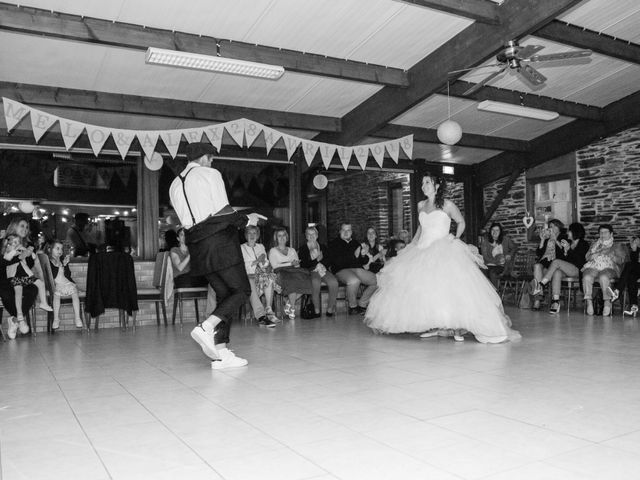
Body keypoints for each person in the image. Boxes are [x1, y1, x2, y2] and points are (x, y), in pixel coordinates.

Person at [364, 172, 520, 344]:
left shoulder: (447, 204)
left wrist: (455, 237)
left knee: (449, 289)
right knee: (426, 290)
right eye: (422, 183)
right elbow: (419, 230)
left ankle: (455, 326)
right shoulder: (421, 205)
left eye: (427, 183)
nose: (424, 186)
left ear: (437, 186)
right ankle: (434, 326)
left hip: (443, 249)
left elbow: (461, 222)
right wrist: (411, 247)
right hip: (422, 249)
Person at [169, 142, 265, 370]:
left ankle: (222, 352)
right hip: (219, 242)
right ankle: (206, 327)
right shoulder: (209, 173)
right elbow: (223, 211)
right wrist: (247, 220)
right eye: (211, 158)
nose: (212, 162)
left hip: (197, 246)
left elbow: (192, 220)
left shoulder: (174, 184)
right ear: (203, 158)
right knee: (242, 291)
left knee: (224, 294)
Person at [532, 222, 589, 314]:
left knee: (556, 261)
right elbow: (566, 258)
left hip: (577, 270)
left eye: (569, 231)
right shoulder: (569, 242)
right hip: (565, 268)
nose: (567, 233)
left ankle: (542, 284)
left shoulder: (583, 243)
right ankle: (556, 301)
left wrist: (567, 249)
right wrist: (566, 250)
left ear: (575, 232)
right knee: (557, 272)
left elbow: (579, 261)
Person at [0, 218, 39, 338]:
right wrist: (20, 256)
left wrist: (29, 255)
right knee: (6, 294)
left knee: (33, 289)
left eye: (27, 227)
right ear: (14, 226)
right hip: (4, 279)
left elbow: (30, 265)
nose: (25, 229)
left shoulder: (29, 245)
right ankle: (19, 320)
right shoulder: (3, 242)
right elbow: (2, 263)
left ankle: (16, 320)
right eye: (22, 226)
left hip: (21, 279)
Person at [326, 224, 377, 315]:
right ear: (340, 232)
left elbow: (363, 261)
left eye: (348, 230)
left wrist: (363, 255)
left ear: (351, 232)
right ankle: (353, 307)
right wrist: (354, 256)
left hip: (357, 269)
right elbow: (337, 262)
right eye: (344, 230)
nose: (346, 232)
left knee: (377, 280)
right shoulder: (333, 244)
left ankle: (362, 304)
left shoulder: (356, 243)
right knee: (354, 281)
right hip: (341, 270)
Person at [3, 234, 52, 326]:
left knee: (40, 283)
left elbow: (33, 257)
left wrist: (29, 251)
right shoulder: (8, 251)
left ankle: (43, 302)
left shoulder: (21, 250)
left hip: (26, 275)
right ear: (9, 244)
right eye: (14, 242)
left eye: (18, 242)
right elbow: (7, 258)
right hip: (15, 276)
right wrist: (15, 251)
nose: (17, 244)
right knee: (18, 292)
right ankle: (19, 313)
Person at [581, 224, 627, 316]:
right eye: (601, 232)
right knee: (586, 277)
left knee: (603, 277)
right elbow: (586, 257)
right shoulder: (595, 244)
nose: (603, 234)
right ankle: (589, 302)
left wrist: (612, 256)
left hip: (609, 268)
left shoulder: (616, 245)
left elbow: (622, 261)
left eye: (605, 232)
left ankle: (607, 302)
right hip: (594, 266)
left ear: (611, 234)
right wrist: (592, 256)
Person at [268, 227, 310, 320]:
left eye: (284, 235)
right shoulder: (273, 250)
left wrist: (295, 264)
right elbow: (275, 266)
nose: (282, 238)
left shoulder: (292, 250)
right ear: (276, 238)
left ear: (287, 237)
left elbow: (297, 266)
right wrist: (290, 263)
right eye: (279, 236)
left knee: (308, 279)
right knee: (292, 281)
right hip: (280, 272)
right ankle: (293, 309)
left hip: (293, 271)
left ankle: (289, 303)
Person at [298, 225, 339, 317]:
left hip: (323, 268)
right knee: (315, 282)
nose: (311, 236)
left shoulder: (323, 247)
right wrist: (316, 261)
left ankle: (330, 309)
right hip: (311, 271)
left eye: (313, 234)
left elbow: (329, 259)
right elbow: (304, 264)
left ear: (317, 235)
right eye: (309, 234)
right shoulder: (303, 249)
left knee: (334, 283)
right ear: (306, 236)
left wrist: (321, 263)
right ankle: (316, 310)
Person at [241, 225, 278, 327]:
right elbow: (241, 266)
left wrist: (262, 262)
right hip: (248, 276)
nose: (252, 235)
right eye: (249, 233)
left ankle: (269, 310)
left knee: (270, 278)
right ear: (246, 235)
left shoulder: (261, 247)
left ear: (257, 235)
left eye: (254, 233)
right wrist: (255, 262)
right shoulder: (241, 248)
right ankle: (261, 317)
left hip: (260, 276)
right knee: (251, 282)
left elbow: (265, 262)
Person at [48, 240, 84, 329]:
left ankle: (77, 318)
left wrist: (65, 265)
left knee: (74, 293)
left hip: (66, 283)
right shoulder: (49, 262)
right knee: (56, 295)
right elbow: (52, 275)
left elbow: (68, 275)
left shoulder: (61, 260)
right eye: (57, 248)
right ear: (50, 249)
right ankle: (56, 319)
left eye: (61, 249)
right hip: (57, 285)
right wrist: (60, 265)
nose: (60, 251)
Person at [530, 219, 565, 310]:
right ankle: (538, 298)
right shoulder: (547, 239)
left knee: (543, 269)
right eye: (550, 226)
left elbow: (564, 254)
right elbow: (539, 253)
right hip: (544, 262)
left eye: (553, 226)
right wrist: (542, 240)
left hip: (555, 264)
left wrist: (555, 239)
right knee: (537, 266)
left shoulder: (564, 237)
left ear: (558, 227)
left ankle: (538, 298)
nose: (550, 228)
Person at [480, 222, 517, 289]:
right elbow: (485, 257)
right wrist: (497, 262)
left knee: (492, 272)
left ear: (500, 232)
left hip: (502, 266)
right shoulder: (485, 242)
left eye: (497, 230)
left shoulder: (506, 239)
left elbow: (514, 247)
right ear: (490, 231)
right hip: (489, 265)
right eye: (493, 230)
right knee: (480, 271)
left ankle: (495, 293)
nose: (495, 232)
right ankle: (485, 293)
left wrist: (510, 255)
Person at [612, 236, 640, 316]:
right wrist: (634, 249)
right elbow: (635, 263)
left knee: (629, 265)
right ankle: (634, 306)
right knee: (631, 277)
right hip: (637, 271)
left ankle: (617, 291)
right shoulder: (637, 247)